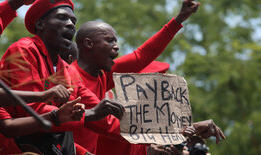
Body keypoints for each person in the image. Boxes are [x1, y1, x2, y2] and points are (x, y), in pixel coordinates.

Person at [0, 0, 125, 154]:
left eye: (73, 21)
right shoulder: (23, 50)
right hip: (12, 148)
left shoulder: (67, 70)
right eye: (62, 18)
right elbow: (33, 111)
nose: (71, 24)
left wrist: (142, 132)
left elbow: (97, 113)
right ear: (40, 24)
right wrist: (90, 114)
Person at [72, 0, 200, 154]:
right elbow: (109, 125)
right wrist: (174, 134)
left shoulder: (102, 74)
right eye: (109, 40)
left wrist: (178, 20)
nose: (117, 46)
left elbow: (141, 55)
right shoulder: (72, 77)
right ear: (88, 44)